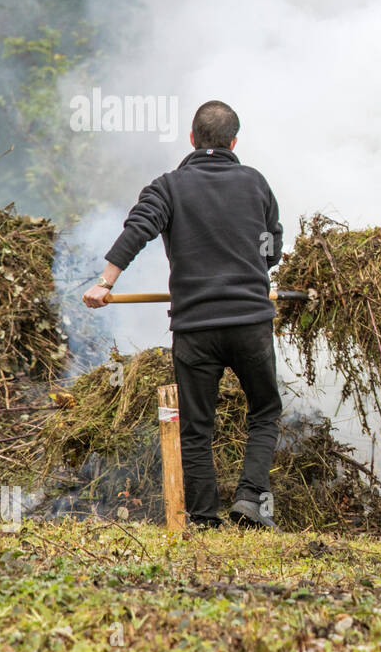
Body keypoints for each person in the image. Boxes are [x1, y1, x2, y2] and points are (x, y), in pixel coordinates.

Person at [83, 100, 283, 529]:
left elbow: (139, 228)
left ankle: (204, 517)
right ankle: (250, 500)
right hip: (250, 322)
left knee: (196, 427)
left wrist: (106, 282)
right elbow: (272, 250)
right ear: (234, 142)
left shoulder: (168, 187)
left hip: (194, 329)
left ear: (192, 140)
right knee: (264, 411)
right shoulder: (256, 184)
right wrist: (250, 271)